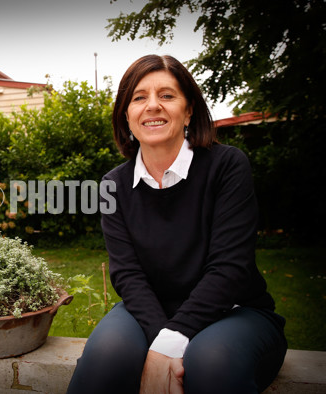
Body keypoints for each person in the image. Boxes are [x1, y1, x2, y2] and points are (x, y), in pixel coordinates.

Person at [67, 55, 287, 394]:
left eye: (167, 95)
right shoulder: (112, 184)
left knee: (210, 363)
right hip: (147, 311)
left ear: (188, 111)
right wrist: (162, 339)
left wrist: (169, 342)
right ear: (126, 115)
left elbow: (230, 268)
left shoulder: (227, 166)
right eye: (139, 98)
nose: (152, 106)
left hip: (234, 311)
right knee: (105, 359)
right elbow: (127, 274)